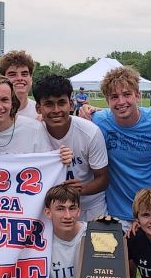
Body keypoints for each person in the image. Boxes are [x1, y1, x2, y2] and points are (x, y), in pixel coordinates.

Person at [90, 66, 151, 229]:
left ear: (137, 95)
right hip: (119, 213)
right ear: (107, 101)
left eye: (127, 94)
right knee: (123, 255)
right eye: (114, 97)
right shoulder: (98, 122)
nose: (121, 102)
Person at [34, 74, 110, 221]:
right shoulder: (32, 134)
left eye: (61, 103)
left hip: (89, 205)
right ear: (38, 108)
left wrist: (81, 189)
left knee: (95, 244)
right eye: (49, 104)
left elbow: (103, 178)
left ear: (71, 104)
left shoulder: (90, 132)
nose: (56, 110)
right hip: (51, 208)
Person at [0, 50, 41, 120]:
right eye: (12, 74)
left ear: (31, 78)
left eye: (24, 74)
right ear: (2, 79)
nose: (19, 78)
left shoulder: (41, 112)